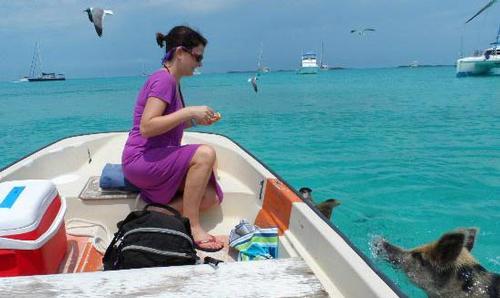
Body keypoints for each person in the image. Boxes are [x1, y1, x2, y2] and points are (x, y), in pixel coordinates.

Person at [122, 25, 224, 252]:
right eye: (197, 57)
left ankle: (158, 211)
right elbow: (147, 127)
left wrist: (197, 120)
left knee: (211, 197)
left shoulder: (173, 82)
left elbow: (172, 121)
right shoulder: (164, 80)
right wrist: (189, 112)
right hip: (142, 159)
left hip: (155, 158)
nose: (200, 63)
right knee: (206, 153)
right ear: (180, 53)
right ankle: (192, 227)